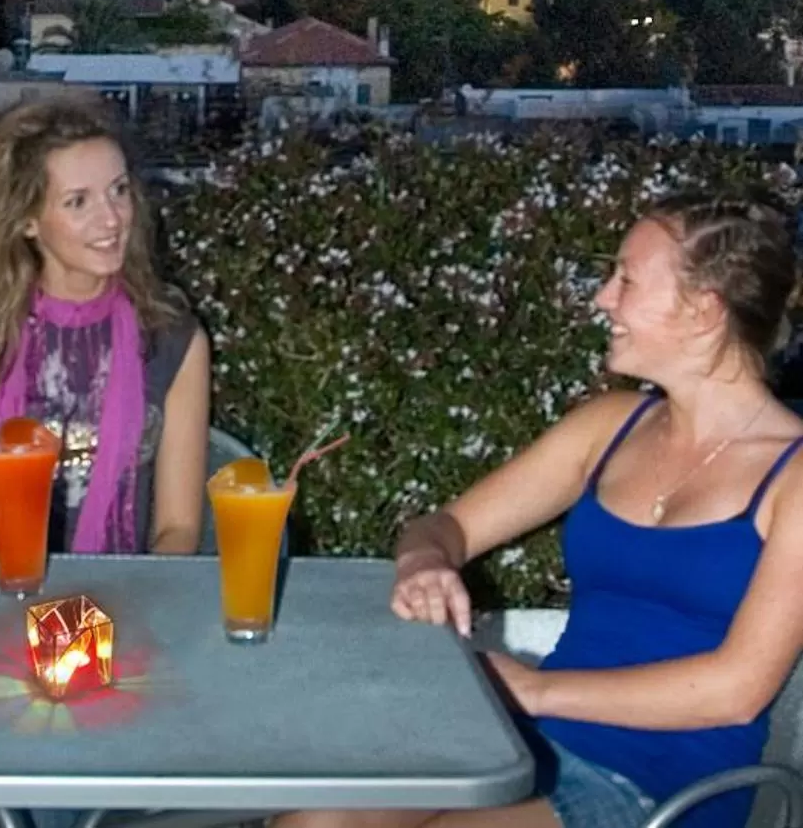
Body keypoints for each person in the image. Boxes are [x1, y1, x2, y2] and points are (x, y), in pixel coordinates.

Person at [287, 195, 803, 828]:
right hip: (529, 735)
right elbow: (444, 526)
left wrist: (533, 688)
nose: (602, 299)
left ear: (703, 313)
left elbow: (735, 690)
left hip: (660, 784)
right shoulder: (610, 426)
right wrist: (425, 561)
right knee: (319, 818)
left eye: (626, 279)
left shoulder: (794, 476)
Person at [0, 96, 210, 559]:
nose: (112, 219)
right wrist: (14, 609)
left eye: (118, 190)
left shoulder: (172, 340)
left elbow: (177, 531)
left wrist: (88, 622)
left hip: (118, 609)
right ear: (27, 221)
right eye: (78, 202)